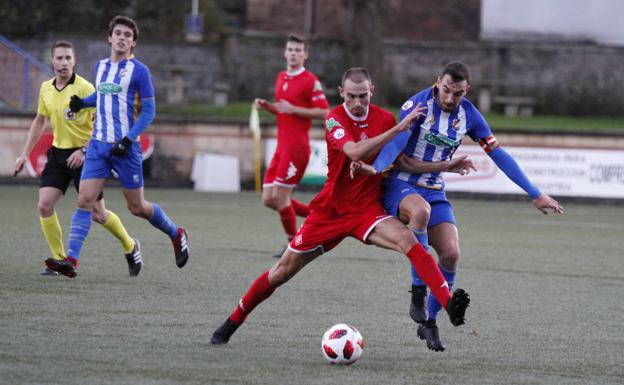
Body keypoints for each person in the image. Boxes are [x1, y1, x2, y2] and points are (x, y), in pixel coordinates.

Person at [210, 68, 471, 346]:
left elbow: (398, 160)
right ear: (341, 93)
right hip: (330, 212)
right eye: (351, 97)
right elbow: (353, 151)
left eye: (363, 96)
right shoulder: (335, 118)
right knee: (281, 272)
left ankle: (447, 304)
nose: (358, 103)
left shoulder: (383, 117)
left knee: (410, 241)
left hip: (367, 211)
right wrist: (397, 129)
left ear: (371, 90)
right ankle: (232, 321)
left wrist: (429, 164)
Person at [370, 61, 564, 352]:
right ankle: (418, 292)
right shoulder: (416, 105)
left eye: (457, 93)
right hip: (401, 185)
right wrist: (373, 170)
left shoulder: (470, 116)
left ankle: (430, 322)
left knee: (451, 254)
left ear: (466, 90)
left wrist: (533, 193)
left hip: (435, 190)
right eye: (446, 90)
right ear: (438, 82)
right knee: (420, 212)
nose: (449, 98)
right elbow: (399, 158)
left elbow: (498, 154)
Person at [44, 15, 189, 278]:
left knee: (138, 208)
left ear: (133, 43)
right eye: (118, 33)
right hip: (98, 146)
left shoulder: (140, 71)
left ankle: (176, 233)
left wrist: (128, 138)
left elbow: (149, 111)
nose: (122, 38)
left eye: (128, 35)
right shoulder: (100, 67)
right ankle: (71, 261)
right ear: (109, 37)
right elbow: (102, 95)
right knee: (84, 200)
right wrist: (83, 103)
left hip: (125, 149)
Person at [14, 40, 141, 277]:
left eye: (68, 58)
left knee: (98, 214)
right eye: (59, 58)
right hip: (57, 154)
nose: (63, 63)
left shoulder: (86, 88)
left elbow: (104, 123)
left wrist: (83, 150)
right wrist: (24, 154)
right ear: (51, 61)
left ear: (75, 61)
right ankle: (61, 260)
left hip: (87, 155)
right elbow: (40, 121)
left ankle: (130, 245)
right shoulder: (46, 88)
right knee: (44, 205)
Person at [254, 33, 330, 257]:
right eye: (291, 49)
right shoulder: (281, 77)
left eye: (298, 50)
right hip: (281, 147)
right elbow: (283, 108)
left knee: (280, 198)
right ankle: (322, 219)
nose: (294, 53)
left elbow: (324, 111)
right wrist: (267, 106)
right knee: (269, 199)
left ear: (305, 54)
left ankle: (295, 245)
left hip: (296, 148)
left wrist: (294, 109)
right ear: (285, 52)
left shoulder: (310, 81)